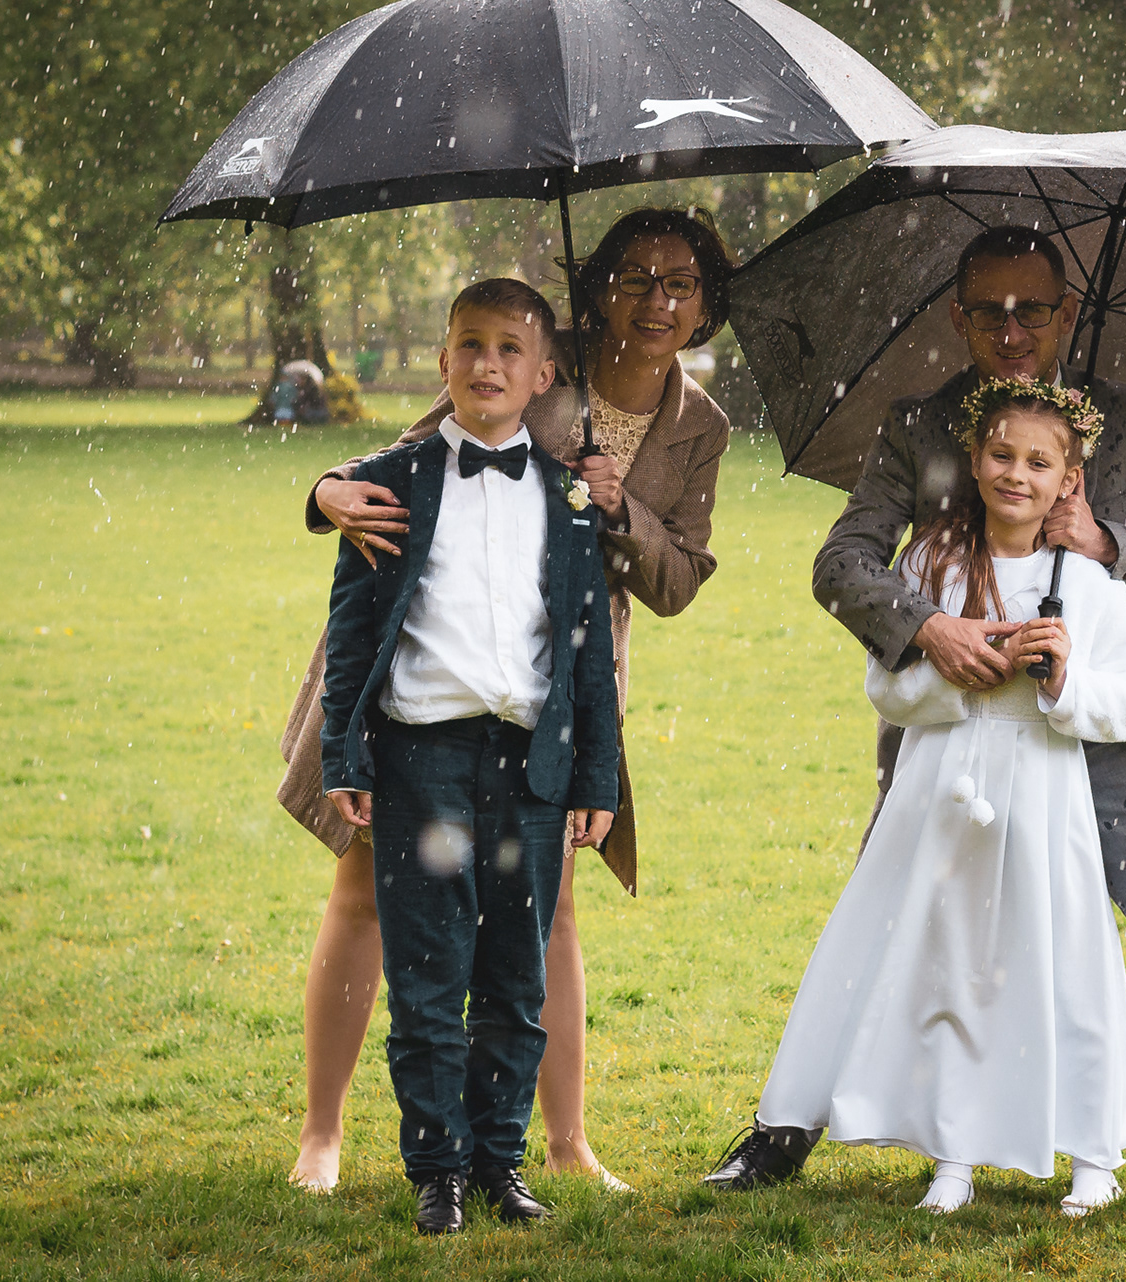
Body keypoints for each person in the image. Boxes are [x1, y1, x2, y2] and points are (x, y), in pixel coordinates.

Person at [706, 225, 1126, 1213]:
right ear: (958, 318)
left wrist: (1108, 540)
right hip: (957, 740)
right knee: (881, 922)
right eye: (988, 309)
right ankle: (786, 1131)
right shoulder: (918, 427)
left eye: (1032, 307)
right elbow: (842, 563)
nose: (1011, 326)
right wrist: (926, 623)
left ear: (1065, 313)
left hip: (1111, 737)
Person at [276, 207, 737, 1194]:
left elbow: (676, 579)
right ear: (602, 285)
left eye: (681, 282)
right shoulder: (528, 354)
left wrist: (621, 508)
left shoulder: (702, 427)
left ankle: (562, 1140)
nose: (656, 299)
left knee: (549, 904)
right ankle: (322, 1131)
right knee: (364, 888)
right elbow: (399, 460)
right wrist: (322, 490)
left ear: (706, 304)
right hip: (429, 650)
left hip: (555, 670)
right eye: (637, 276)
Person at [748, 379, 1126, 1217]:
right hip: (944, 795)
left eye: (1040, 462)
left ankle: (1091, 1151)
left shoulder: (1087, 584)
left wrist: (1062, 681)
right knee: (952, 968)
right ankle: (953, 1149)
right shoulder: (930, 563)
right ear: (973, 460)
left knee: (1061, 966)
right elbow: (884, 688)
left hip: (1044, 801)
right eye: (1001, 455)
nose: (1017, 474)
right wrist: (957, 674)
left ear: (1068, 480)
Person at [320, 276, 620, 1235]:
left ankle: (500, 1161)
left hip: (532, 764)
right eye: (469, 345)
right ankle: (437, 1170)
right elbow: (353, 634)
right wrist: (345, 757)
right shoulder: (391, 482)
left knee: (514, 979)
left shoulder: (572, 496)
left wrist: (596, 775)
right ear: (443, 362)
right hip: (423, 760)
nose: (487, 364)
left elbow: (588, 650)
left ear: (541, 375)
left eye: (509, 350)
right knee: (429, 971)